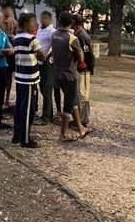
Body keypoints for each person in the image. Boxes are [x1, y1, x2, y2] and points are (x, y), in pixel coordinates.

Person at [52, 12, 90, 142]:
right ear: (71, 23)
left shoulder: (54, 35)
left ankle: (80, 127)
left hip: (56, 73)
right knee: (68, 104)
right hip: (69, 75)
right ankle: (63, 134)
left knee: (72, 100)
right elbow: (81, 57)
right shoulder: (72, 38)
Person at [12, 13, 46, 148]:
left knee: (19, 107)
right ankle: (25, 139)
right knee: (28, 110)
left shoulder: (17, 38)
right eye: (33, 22)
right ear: (26, 24)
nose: (35, 25)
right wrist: (39, 56)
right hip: (30, 79)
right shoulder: (32, 39)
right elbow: (42, 55)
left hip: (20, 77)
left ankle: (17, 135)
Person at [73, 15, 94, 126]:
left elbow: (89, 54)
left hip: (83, 69)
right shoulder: (79, 34)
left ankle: (83, 120)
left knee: (82, 94)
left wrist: (89, 69)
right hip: (81, 68)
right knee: (79, 94)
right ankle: (80, 119)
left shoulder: (81, 35)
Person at [37, 11, 56, 124]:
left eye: (44, 18)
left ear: (49, 19)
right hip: (38, 62)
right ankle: (49, 114)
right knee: (42, 89)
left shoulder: (52, 32)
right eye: (41, 18)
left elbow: (55, 47)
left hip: (47, 63)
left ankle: (46, 117)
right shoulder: (40, 29)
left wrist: (47, 57)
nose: (42, 20)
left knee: (47, 90)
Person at [2, 3, 17, 107]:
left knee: (9, 76)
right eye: (6, 9)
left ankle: (7, 98)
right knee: (0, 76)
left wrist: (14, 37)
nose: (8, 11)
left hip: (11, 53)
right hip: (1, 51)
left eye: (10, 9)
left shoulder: (14, 22)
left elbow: (17, 34)